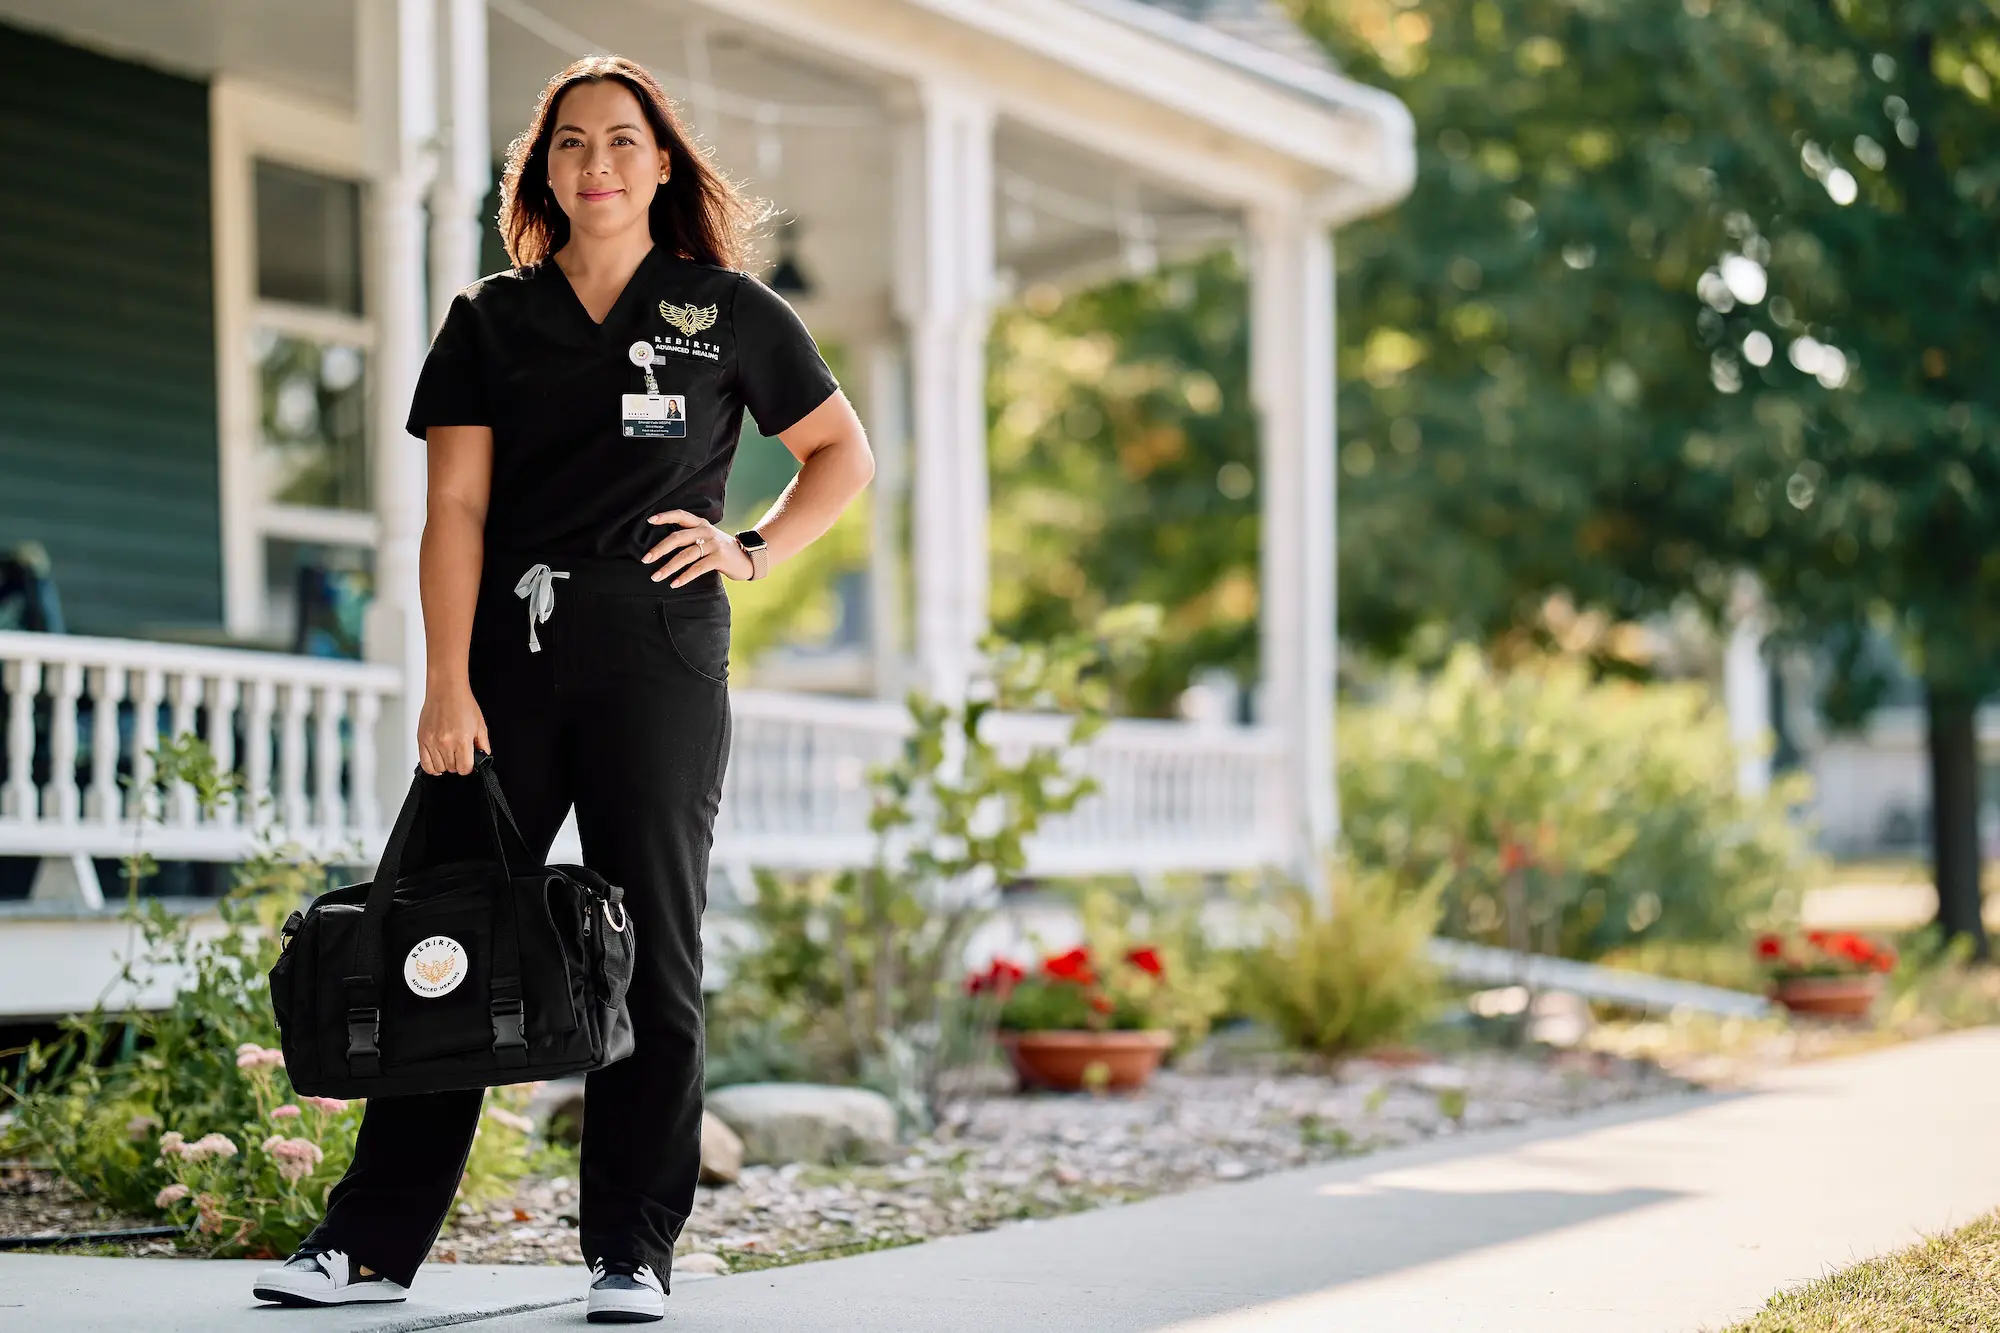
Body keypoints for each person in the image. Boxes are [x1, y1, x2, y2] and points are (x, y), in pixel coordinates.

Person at [251, 54, 873, 1323]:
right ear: (542, 169)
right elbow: (457, 512)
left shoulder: (726, 309)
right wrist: (443, 682)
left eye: (623, 141)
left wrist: (751, 547)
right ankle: (369, 1245)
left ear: (660, 164)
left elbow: (838, 453)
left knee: (651, 945)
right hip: (507, 666)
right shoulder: (491, 319)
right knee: (437, 926)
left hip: (661, 661)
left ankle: (630, 1249)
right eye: (572, 142)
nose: (597, 162)